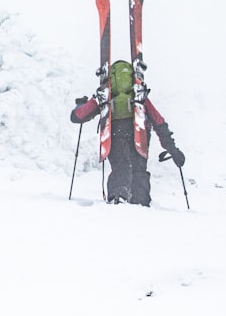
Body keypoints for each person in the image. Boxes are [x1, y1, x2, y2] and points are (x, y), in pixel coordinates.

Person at [70, 60, 184, 206]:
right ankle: (141, 201)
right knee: (139, 168)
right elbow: (159, 122)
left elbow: (77, 117)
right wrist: (173, 150)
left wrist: (80, 105)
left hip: (115, 132)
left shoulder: (104, 96)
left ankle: (118, 196)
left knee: (120, 165)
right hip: (138, 132)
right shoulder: (139, 97)